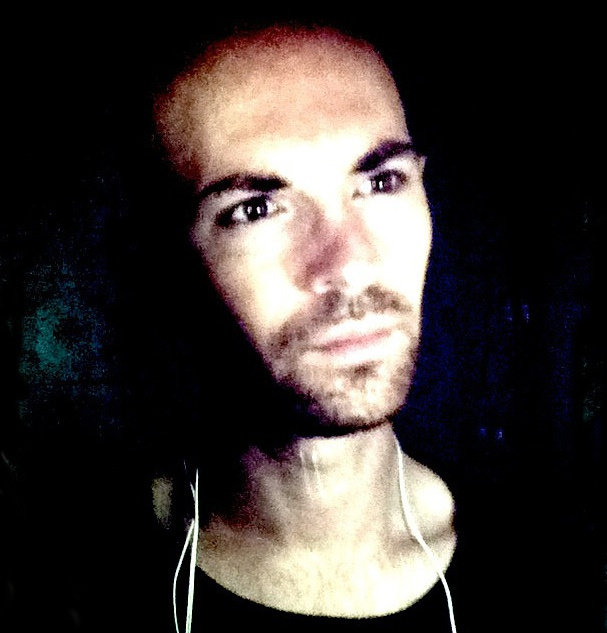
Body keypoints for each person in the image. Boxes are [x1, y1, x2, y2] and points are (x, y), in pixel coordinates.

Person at [148, 20, 458, 632]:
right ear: (167, 261)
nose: (349, 264)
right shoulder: (65, 577)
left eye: (381, 182)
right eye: (256, 209)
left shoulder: (556, 567)